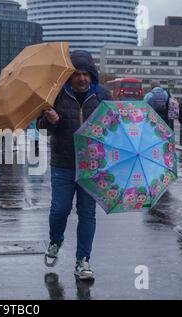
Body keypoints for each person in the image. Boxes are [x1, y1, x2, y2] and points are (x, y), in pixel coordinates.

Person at [37, 50, 111, 280]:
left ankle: (83, 261)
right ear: (70, 76)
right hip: (64, 164)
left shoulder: (103, 97)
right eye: (77, 74)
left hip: (92, 167)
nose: (82, 78)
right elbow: (40, 128)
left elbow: (114, 129)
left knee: (87, 214)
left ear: (93, 76)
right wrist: (51, 121)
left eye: (86, 74)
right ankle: (55, 240)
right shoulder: (56, 96)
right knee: (60, 210)